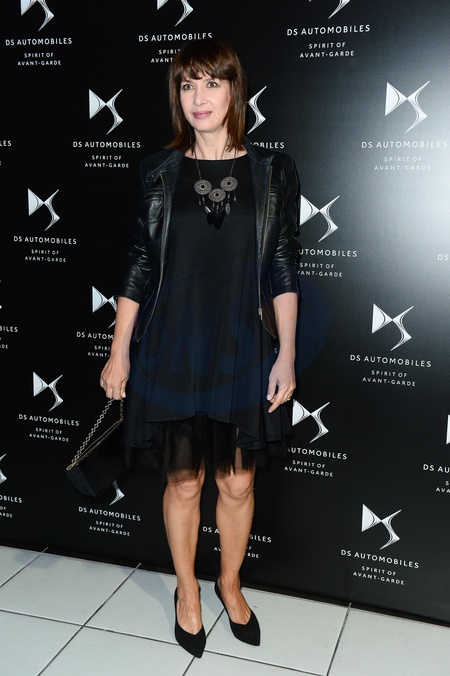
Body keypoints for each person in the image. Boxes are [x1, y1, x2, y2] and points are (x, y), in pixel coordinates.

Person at [100, 38, 300, 659]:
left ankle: (229, 582)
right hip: (174, 349)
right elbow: (139, 262)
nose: (198, 97)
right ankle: (187, 590)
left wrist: (287, 354)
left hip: (244, 350)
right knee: (184, 483)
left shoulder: (273, 171)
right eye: (187, 85)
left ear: (235, 90)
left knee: (236, 484)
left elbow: (284, 266)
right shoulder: (158, 172)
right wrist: (119, 350)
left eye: (211, 82)